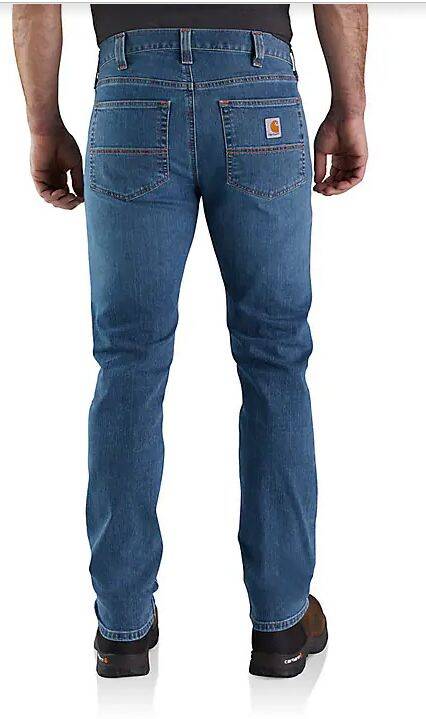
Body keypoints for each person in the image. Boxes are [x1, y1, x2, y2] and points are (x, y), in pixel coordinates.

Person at [13, 4, 368, 678]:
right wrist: (349, 107)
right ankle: (282, 623)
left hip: (131, 89)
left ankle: (121, 628)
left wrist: (42, 123)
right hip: (258, 80)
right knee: (275, 359)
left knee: (128, 362)